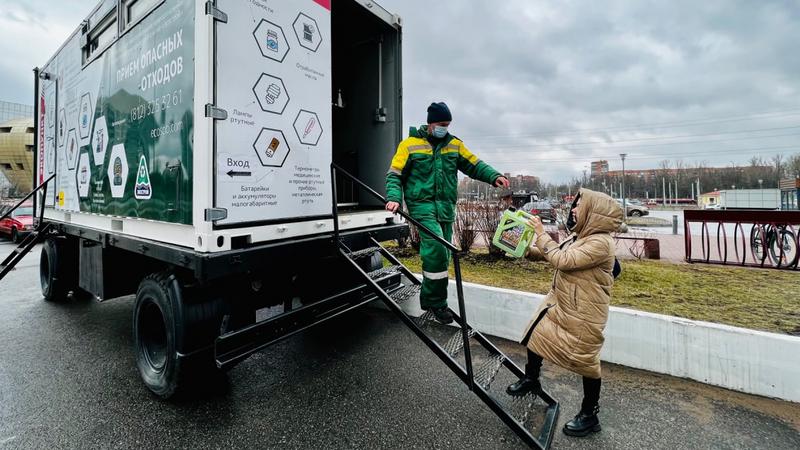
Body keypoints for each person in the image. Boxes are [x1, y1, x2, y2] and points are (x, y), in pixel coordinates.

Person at [506, 188, 623, 437]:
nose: (574, 210)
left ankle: (590, 415)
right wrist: (527, 249)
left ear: (594, 212)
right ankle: (532, 379)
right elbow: (556, 252)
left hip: (585, 311)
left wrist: (540, 233)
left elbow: (563, 261)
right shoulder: (580, 237)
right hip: (562, 304)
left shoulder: (601, 242)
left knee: (587, 362)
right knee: (536, 334)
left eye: (579, 206)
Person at [385, 102, 509, 324]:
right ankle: (435, 302)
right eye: (442, 124)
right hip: (421, 206)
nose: (445, 128)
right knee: (436, 249)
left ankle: (434, 300)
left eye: (448, 124)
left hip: (446, 208)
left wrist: (493, 176)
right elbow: (394, 174)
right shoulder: (409, 145)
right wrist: (394, 198)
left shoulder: (454, 145)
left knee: (444, 255)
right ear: (431, 123)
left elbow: (474, 164)